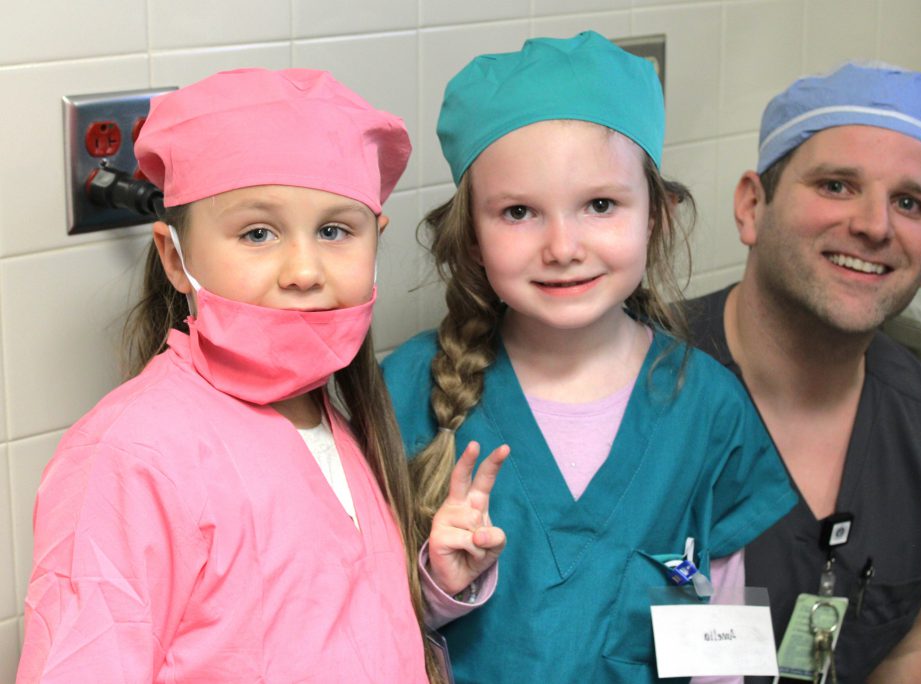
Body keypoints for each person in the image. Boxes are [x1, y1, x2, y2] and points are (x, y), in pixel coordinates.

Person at [17, 68, 507, 683]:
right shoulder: (131, 455)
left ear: (374, 241)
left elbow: (315, 634)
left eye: (334, 231)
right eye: (257, 233)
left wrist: (432, 587)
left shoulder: (334, 423)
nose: (304, 270)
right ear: (176, 257)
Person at [383, 32, 797, 683]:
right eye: (519, 212)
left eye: (600, 205)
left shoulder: (706, 408)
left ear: (655, 216)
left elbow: (720, 629)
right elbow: (355, 623)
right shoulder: (408, 390)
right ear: (471, 237)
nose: (562, 246)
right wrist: (439, 584)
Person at [685, 62, 921, 683]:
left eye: (909, 202)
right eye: (838, 186)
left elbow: (899, 641)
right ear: (752, 206)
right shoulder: (636, 390)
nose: (876, 226)